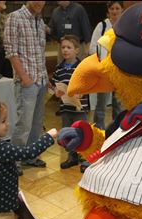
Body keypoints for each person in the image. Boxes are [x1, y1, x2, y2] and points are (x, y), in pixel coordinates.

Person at [4, 1, 49, 176]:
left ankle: (30, 157)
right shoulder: (14, 18)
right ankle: (13, 162)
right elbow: (11, 52)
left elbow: (39, 52)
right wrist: (24, 78)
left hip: (41, 80)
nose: (39, 2)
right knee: (23, 124)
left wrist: (46, 78)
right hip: (27, 82)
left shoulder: (39, 20)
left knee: (37, 124)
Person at [49, 35, 90, 173]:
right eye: (63, 47)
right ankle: (72, 157)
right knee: (68, 133)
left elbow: (87, 85)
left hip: (79, 107)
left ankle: (84, 158)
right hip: (66, 107)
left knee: (82, 132)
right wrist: (56, 91)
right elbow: (53, 86)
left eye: (69, 47)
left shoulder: (81, 67)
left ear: (76, 50)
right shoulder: (59, 68)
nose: (65, 50)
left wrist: (82, 92)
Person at [89, 1, 124, 129]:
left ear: (122, 10)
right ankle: (99, 132)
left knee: (119, 105)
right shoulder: (102, 26)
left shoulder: (125, 26)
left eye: (117, 8)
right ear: (108, 10)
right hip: (104, 71)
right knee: (101, 105)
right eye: (112, 8)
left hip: (120, 72)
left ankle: (117, 132)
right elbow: (92, 48)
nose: (114, 11)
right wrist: (105, 58)